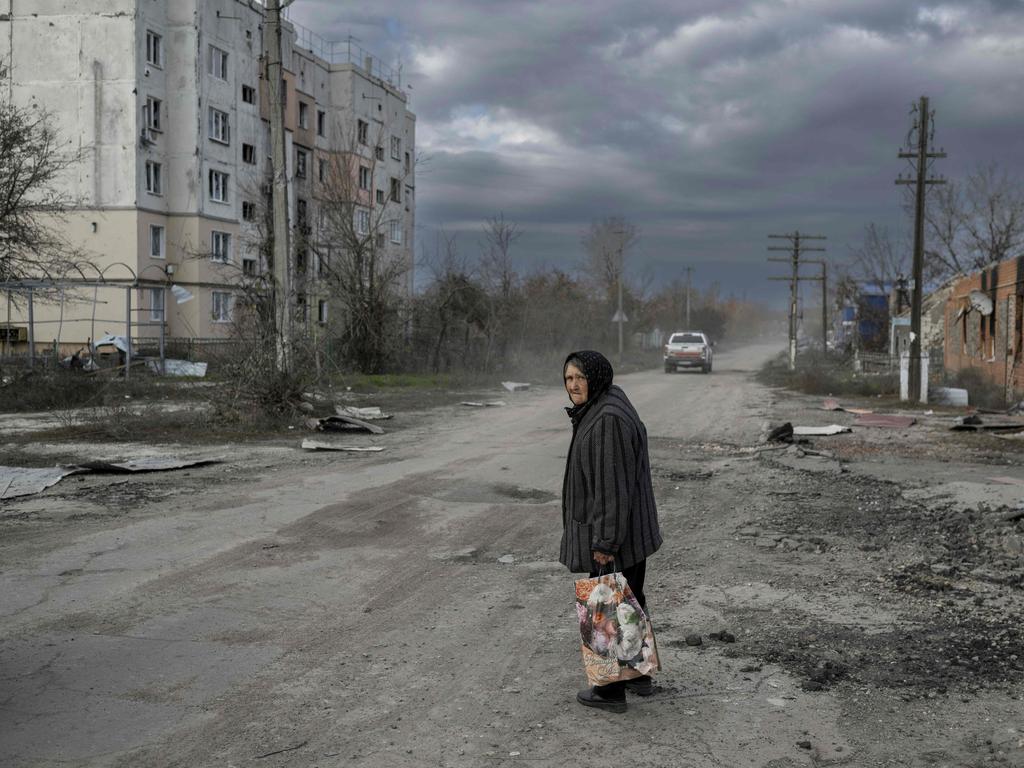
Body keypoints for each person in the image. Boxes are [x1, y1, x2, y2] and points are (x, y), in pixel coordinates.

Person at [559, 350, 662, 713]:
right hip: (630, 531)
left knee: (604, 605)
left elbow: (611, 487)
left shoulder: (606, 419)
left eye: (580, 378)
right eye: (569, 378)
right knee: (627, 604)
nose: (573, 385)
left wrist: (605, 542)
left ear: (596, 378)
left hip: (617, 534)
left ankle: (609, 691)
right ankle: (637, 677)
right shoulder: (608, 402)